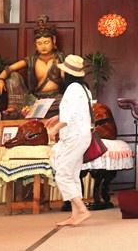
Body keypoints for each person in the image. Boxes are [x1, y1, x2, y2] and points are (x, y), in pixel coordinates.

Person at [46, 54, 92, 227]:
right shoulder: (83, 88)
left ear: (66, 73)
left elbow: (70, 116)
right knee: (71, 174)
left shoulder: (72, 88)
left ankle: (82, 210)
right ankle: (75, 215)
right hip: (81, 136)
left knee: (63, 174)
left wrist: (55, 129)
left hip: (75, 137)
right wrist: (58, 117)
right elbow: (77, 111)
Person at [0, 15, 65, 117]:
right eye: (39, 43)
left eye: (46, 42)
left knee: (69, 102)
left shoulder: (60, 58)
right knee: (12, 76)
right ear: (36, 45)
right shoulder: (32, 60)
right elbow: (11, 68)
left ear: (53, 41)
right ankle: (14, 107)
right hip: (38, 99)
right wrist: (0, 79)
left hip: (58, 98)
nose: (43, 46)